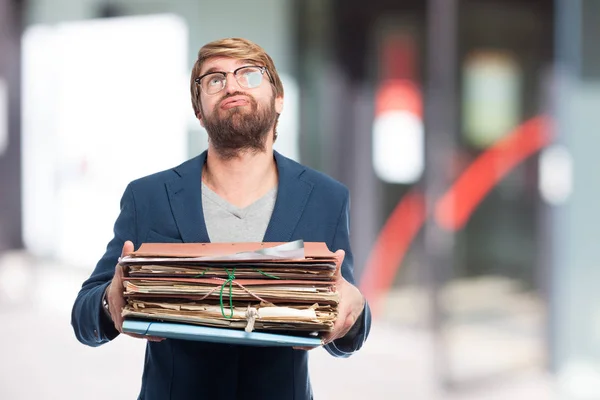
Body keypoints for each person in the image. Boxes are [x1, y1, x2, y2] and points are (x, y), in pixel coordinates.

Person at [71, 37, 371, 400]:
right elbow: (83, 319)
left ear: (279, 99)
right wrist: (109, 300)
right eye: (214, 79)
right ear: (199, 111)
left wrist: (353, 313)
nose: (231, 84)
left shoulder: (326, 197)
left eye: (249, 74)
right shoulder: (148, 197)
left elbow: (343, 324)